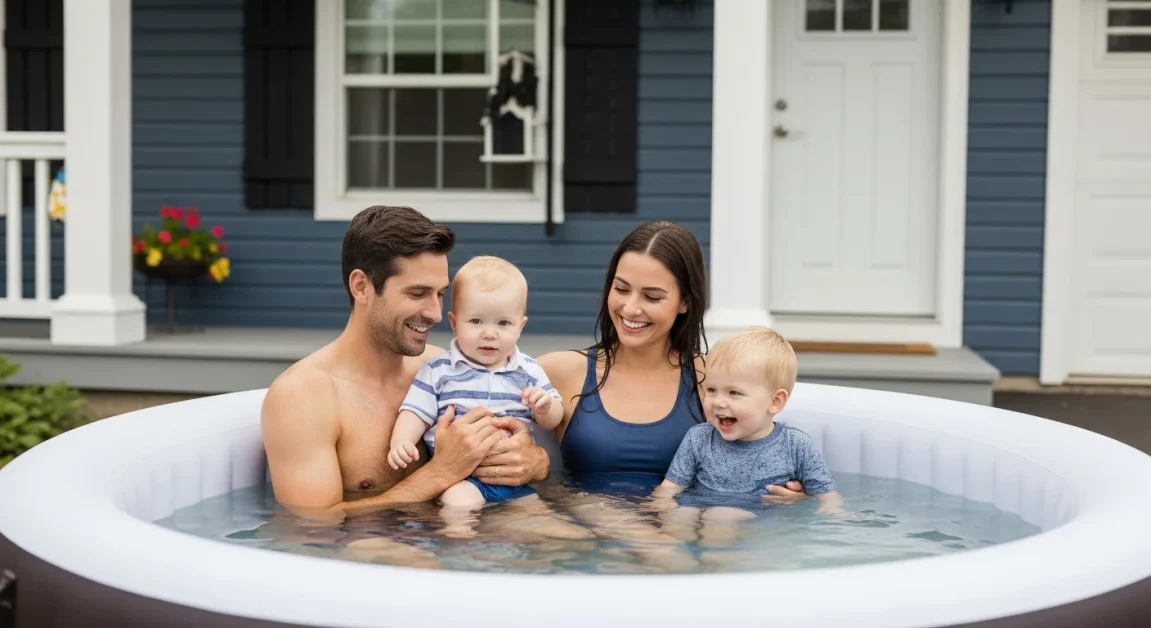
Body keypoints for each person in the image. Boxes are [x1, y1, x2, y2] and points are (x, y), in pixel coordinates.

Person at [260, 206, 552, 522]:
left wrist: (535, 462)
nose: (436, 314)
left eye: (440, 294)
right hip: (372, 551)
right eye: (417, 293)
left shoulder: (447, 369)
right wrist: (441, 472)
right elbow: (312, 526)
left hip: (468, 534)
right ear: (361, 286)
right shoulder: (303, 396)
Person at [388, 255, 564, 508]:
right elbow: (415, 410)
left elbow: (553, 418)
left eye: (503, 323)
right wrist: (401, 441)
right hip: (462, 479)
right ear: (454, 322)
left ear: (520, 326)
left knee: (541, 519)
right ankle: (461, 545)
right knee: (459, 505)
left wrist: (545, 407)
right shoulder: (439, 370)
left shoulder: (528, 369)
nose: (489, 333)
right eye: (476, 321)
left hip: (515, 480)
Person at [652, 326, 842, 515]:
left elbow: (828, 498)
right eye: (711, 390)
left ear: (775, 401)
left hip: (753, 524)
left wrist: (831, 512)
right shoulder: (699, 438)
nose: (718, 402)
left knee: (722, 516)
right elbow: (670, 487)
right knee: (681, 515)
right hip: (699, 509)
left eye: (734, 392)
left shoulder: (796, 446)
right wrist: (660, 505)